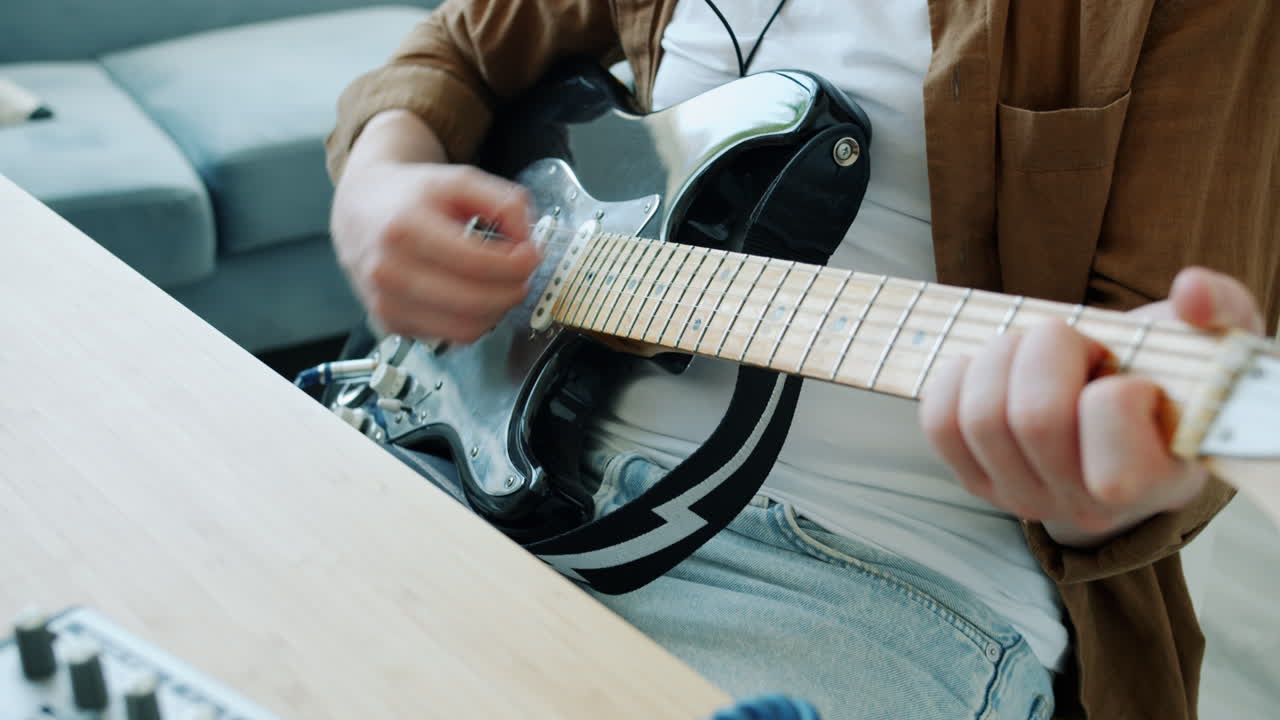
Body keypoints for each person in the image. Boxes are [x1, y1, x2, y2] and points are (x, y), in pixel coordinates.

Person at [325, 2, 1277, 718]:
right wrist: (380, 183)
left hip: (881, 574)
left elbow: (1155, 434)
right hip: (475, 452)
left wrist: (1105, 482)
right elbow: (453, 52)